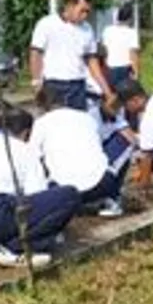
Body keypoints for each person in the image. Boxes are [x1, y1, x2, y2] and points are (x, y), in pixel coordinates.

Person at [0, 106, 82, 268]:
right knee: (69, 195)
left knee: (6, 202)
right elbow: (35, 197)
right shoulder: (25, 150)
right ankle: (13, 249)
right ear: (26, 132)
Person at [30, 87, 135, 218]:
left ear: (42, 107)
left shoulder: (40, 124)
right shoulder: (86, 117)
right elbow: (98, 146)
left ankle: (74, 205)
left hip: (64, 190)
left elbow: (32, 158)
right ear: (65, 101)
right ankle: (112, 197)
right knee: (122, 142)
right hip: (102, 183)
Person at [30, 0, 114, 112]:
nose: (85, 15)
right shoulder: (47, 24)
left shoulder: (87, 29)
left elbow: (92, 62)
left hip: (78, 85)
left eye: (87, 12)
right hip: (53, 85)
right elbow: (36, 54)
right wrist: (37, 82)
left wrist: (107, 91)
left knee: (78, 123)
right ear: (69, 6)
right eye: (82, 11)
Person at [101, 4, 140, 90]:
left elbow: (104, 51)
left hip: (110, 69)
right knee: (126, 98)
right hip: (125, 69)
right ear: (130, 18)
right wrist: (136, 73)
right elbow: (133, 54)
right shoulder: (131, 33)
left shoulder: (107, 30)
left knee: (112, 95)